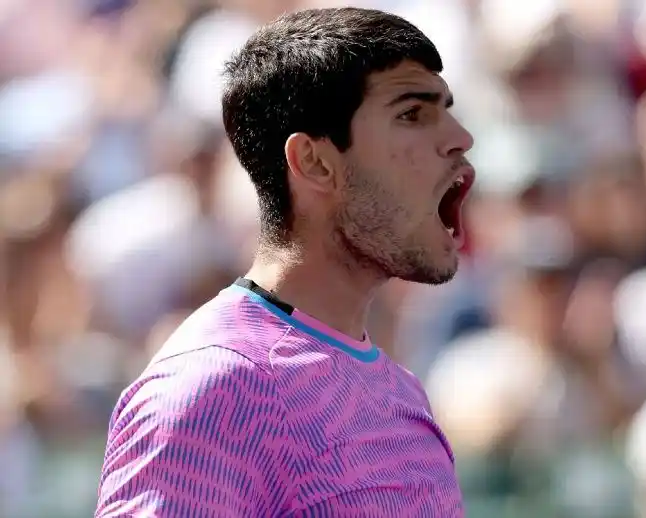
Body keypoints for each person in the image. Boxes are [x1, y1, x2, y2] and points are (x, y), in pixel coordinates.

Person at [95, 7, 475, 517]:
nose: (460, 138)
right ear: (315, 162)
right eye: (411, 114)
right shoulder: (215, 388)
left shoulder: (403, 394)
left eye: (446, 110)